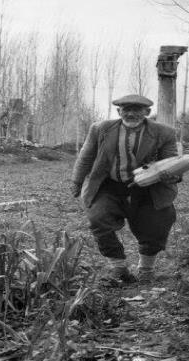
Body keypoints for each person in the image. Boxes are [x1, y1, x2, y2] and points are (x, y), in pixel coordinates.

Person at [70, 94, 182, 285]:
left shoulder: (165, 132)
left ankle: (146, 269)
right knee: (98, 219)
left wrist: (169, 174)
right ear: (118, 111)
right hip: (109, 185)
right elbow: (86, 157)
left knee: (158, 223)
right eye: (126, 109)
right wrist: (77, 181)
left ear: (147, 112)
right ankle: (119, 268)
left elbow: (172, 162)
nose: (131, 113)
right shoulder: (100, 129)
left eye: (137, 110)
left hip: (148, 188)